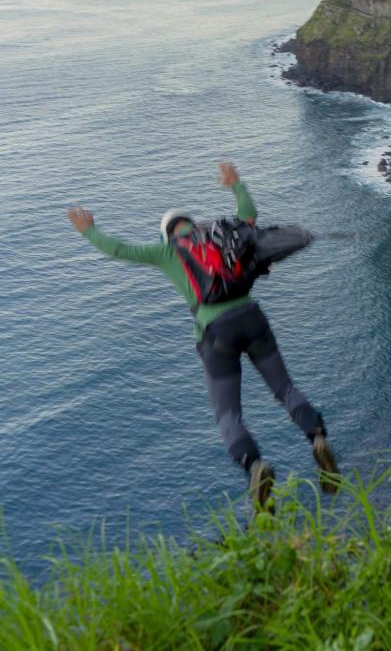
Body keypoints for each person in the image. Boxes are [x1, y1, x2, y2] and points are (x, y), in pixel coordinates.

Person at [67, 161, 340, 510]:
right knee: (284, 388)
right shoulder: (222, 233)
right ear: (193, 225)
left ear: (167, 233)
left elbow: (119, 250)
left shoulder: (166, 251)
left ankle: (255, 466)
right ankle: (316, 438)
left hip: (216, 333)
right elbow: (250, 217)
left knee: (229, 414)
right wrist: (236, 184)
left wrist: (88, 230)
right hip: (253, 317)